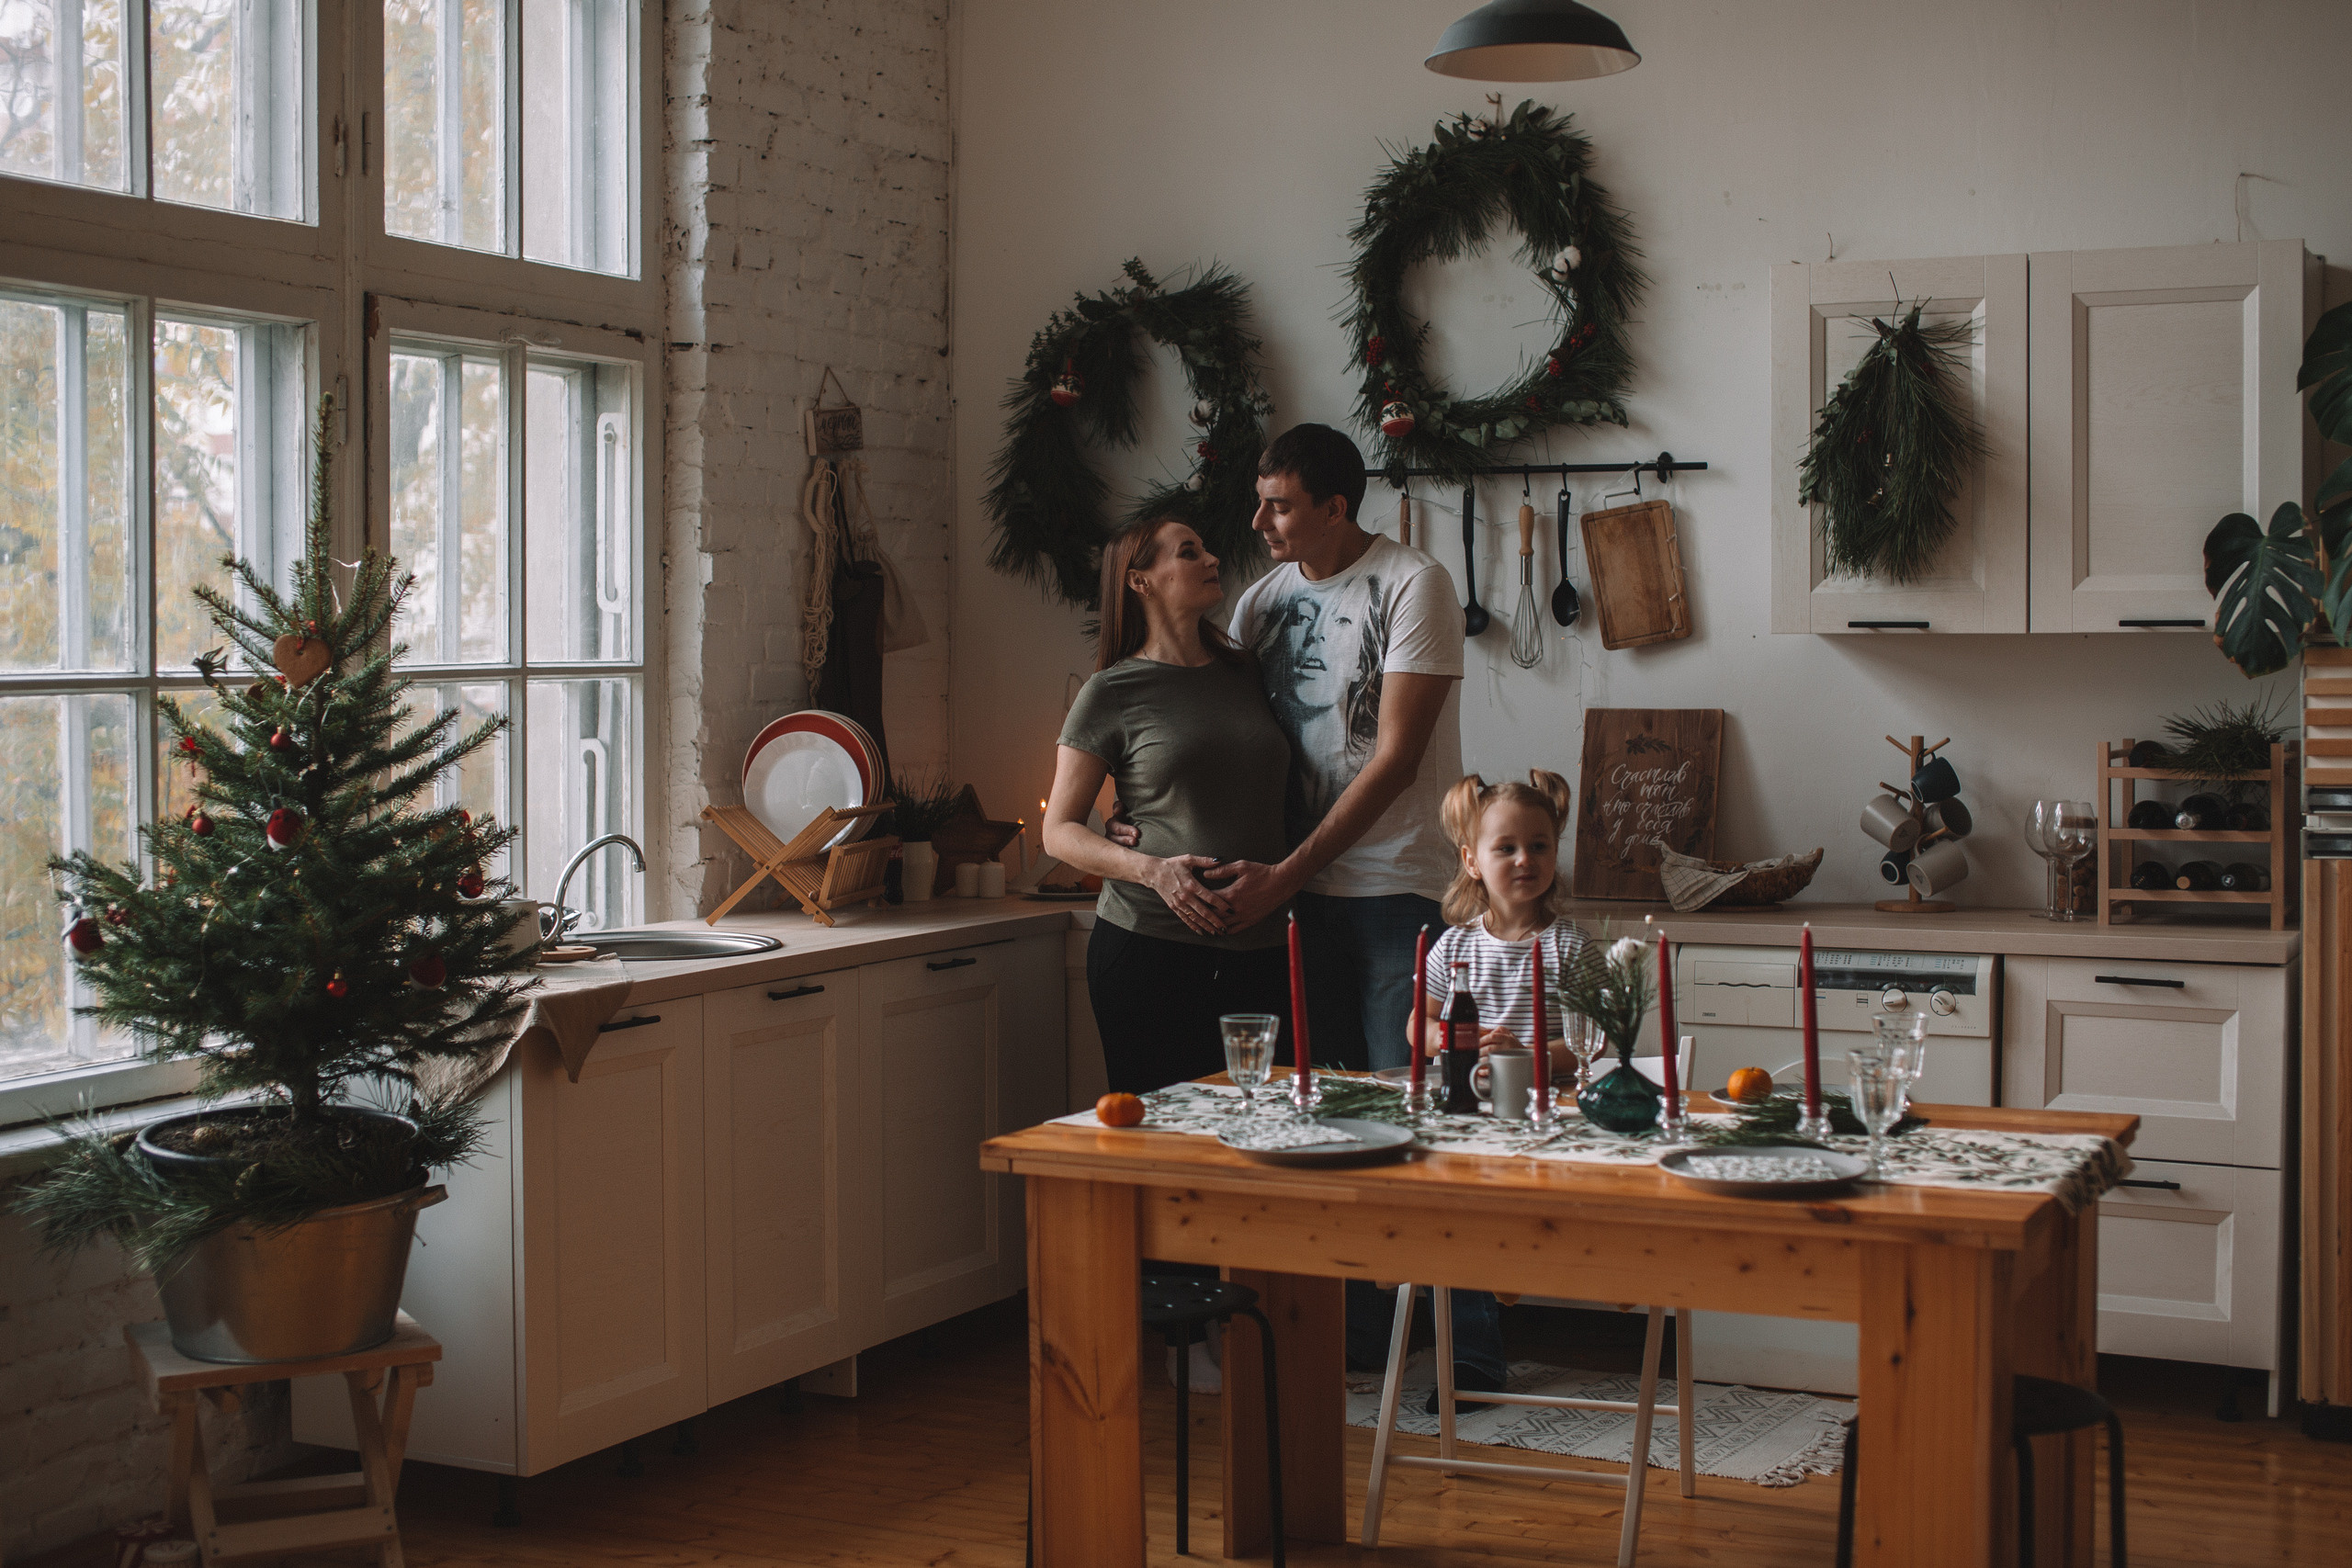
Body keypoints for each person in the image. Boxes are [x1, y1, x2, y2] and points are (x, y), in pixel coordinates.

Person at [1210, 423, 1465, 1071]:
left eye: (1281, 505)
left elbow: (1398, 760)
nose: (1258, 520)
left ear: (1334, 509)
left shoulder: (1415, 583)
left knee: (1403, 1100)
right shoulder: (1260, 603)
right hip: (1294, 901)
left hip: (1398, 890)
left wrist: (1283, 876)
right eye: (1260, 500)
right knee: (1320, 1104)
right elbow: (1229, 742)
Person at [1352, 770, 1592, 1407]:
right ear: (1472, 860)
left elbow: (1592, 1047)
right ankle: (1474, 1358)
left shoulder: (1569, 947)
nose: (1524, 859)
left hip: (1545, 1116)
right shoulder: (1453, 946)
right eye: (1506, 847)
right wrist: (1447, 1039)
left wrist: (1532, 1053)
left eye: (1539, 845)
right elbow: (1416, 1024)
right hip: (1465, 1115)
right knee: (1450, 1215)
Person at [1043, 515, 1295, 1096]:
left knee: (1259, 1135)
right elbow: (1057, 831)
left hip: (1262, 947)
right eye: (1189, 552)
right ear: (1141, 582)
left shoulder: (1248, 672)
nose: (1212, 560)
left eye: (1206, 549)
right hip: (1150, 950)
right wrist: (1153, 871)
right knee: (1161, 1139)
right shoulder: (1111, 691)